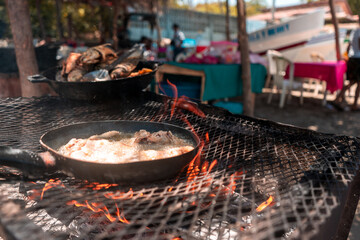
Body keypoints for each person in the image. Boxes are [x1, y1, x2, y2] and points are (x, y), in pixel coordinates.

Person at [333, 19, 360, 111]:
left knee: (352, 81)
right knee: (357, 83)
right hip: (358, 59)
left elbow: (349, 46)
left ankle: (338, 99)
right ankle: (354, 104)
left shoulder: (354, 31)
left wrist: (347, 57)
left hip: (352, 58)